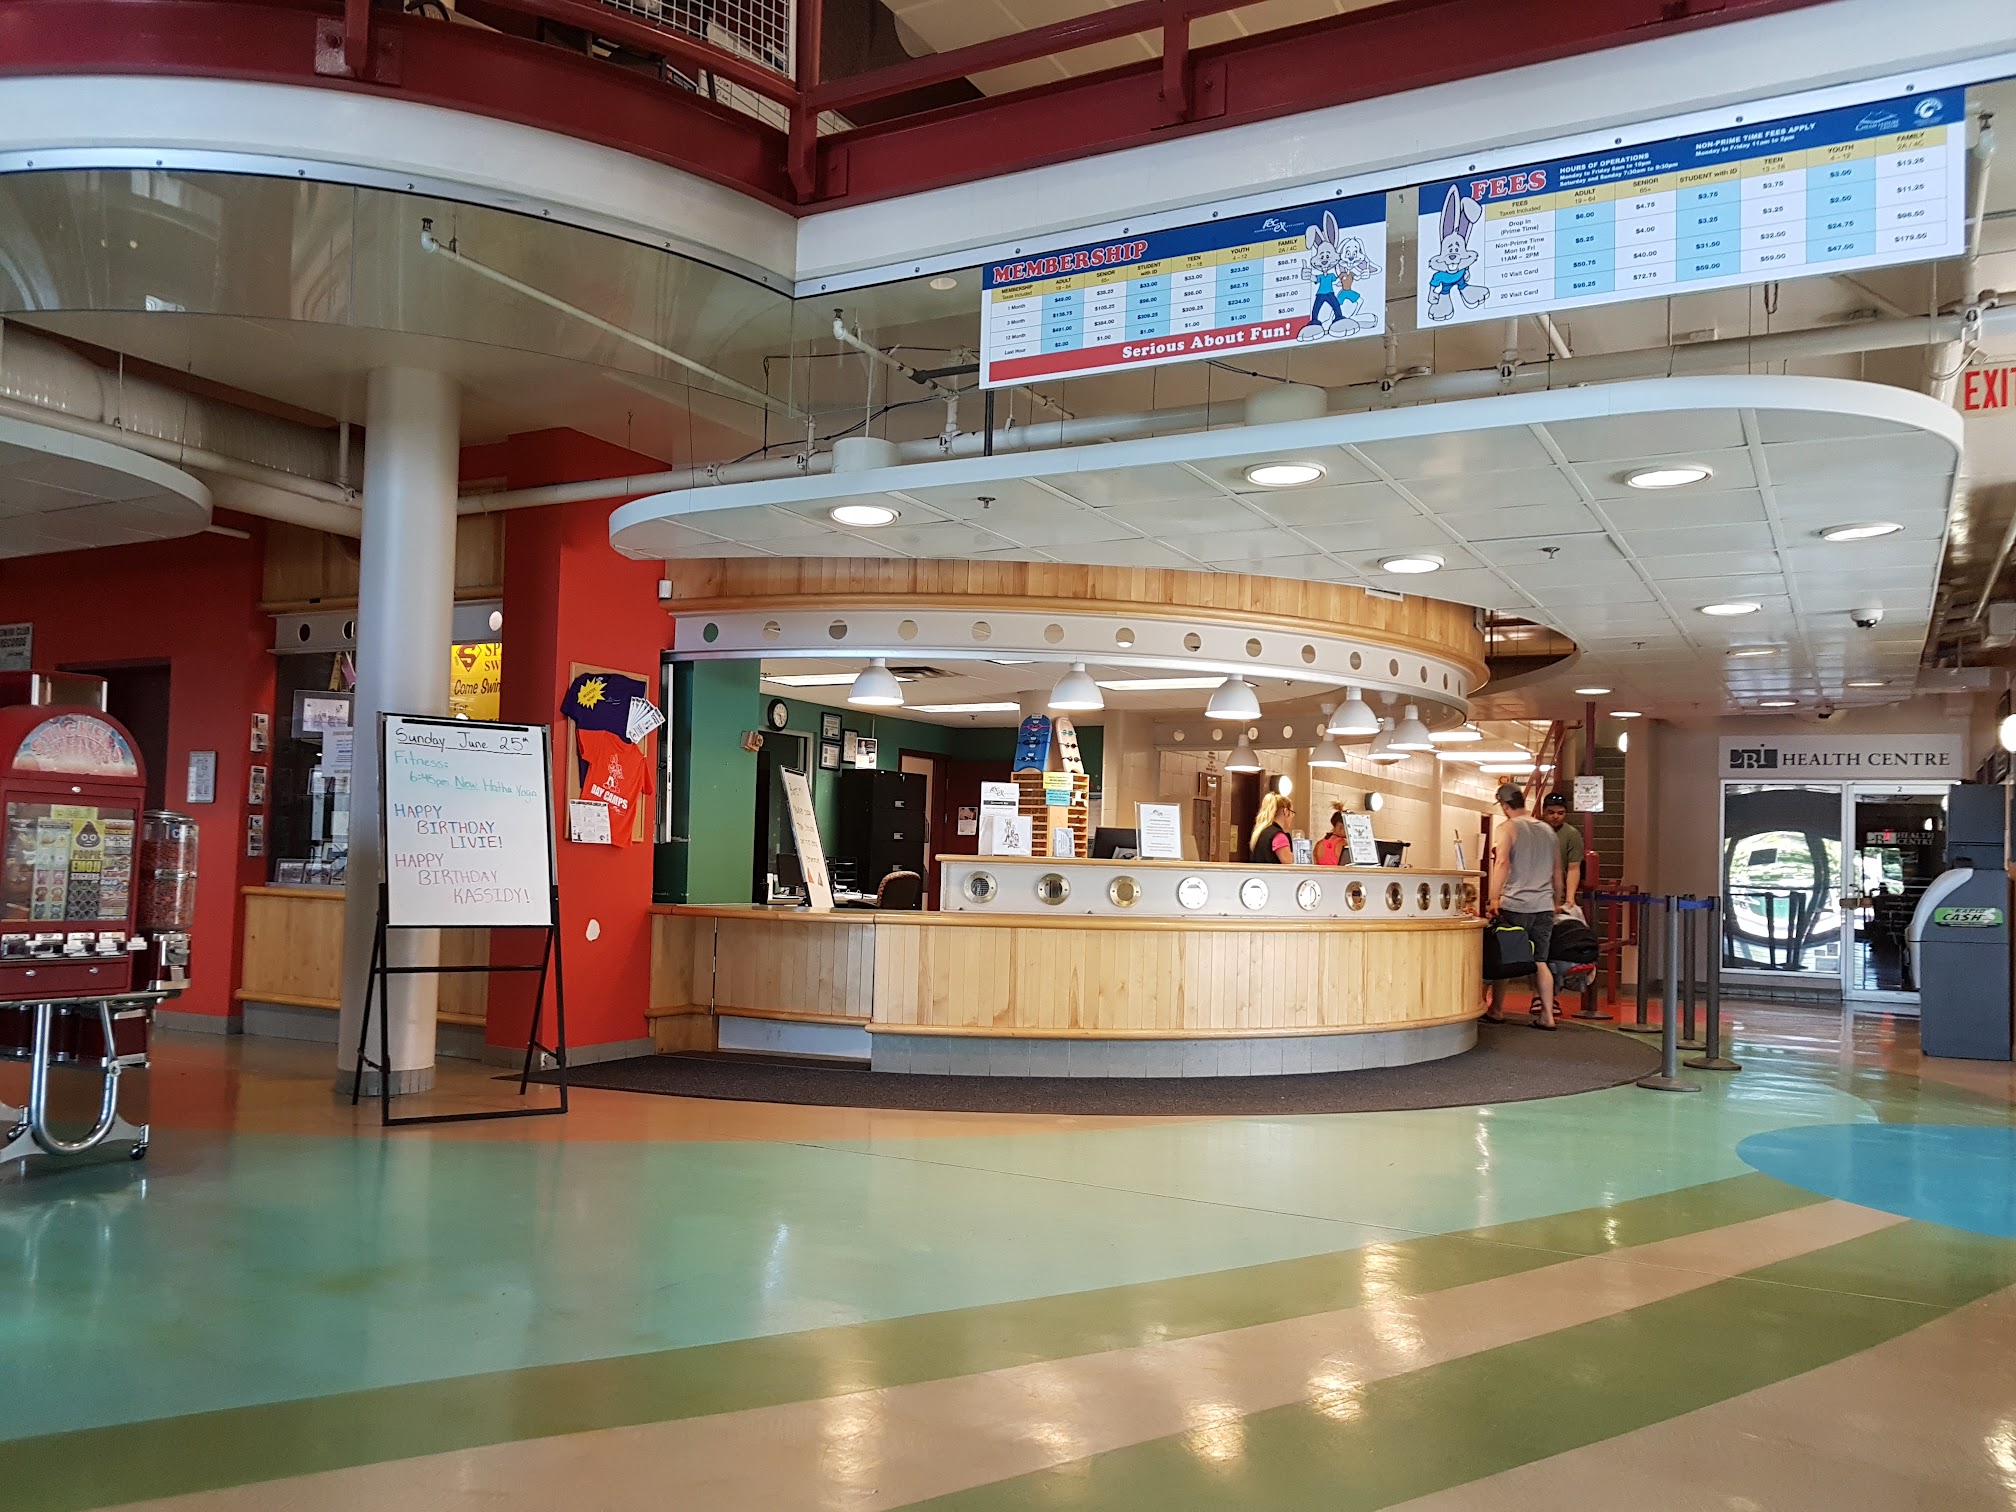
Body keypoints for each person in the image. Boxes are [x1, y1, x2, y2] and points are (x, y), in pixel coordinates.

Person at [1487, 784, 1563, 1029]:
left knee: (1506, 958)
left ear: (1504, 805)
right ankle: (1548, 1017)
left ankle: (1496, 1009)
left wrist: (1493, 898)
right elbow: (1557, 870)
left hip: (1515, 904)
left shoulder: (1507, 828)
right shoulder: (1548, 831)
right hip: (1543, 906)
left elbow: (1502, 863)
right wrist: (1557, 901)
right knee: (1540, 960)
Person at [1539, 792, 1583, 912]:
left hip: (1557, 894)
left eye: (1560, 813)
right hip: (1534, 893)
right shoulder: (1534, 831)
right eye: (1551, 812)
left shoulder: (1572, 835)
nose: (1555, 816)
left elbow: (1573, 868)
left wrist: (1570, 897)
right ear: (1543, 811)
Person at [1249, 793, 1295, 864]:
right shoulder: (1279, 836)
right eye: (1292, 812)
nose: (1292, 816)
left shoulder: (1259, 833)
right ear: (1285, 812)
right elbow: (1289, 864)